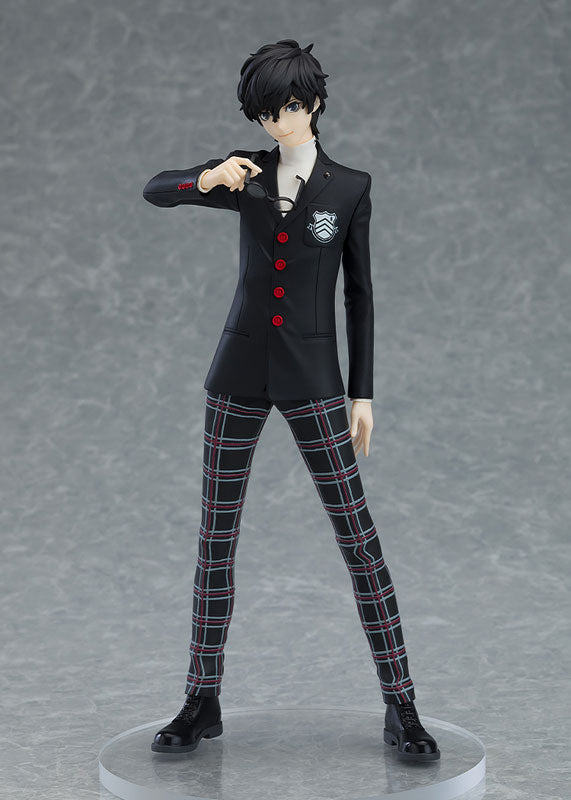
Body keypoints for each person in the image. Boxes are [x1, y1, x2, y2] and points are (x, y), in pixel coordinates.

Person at [142, 38, 440, 762]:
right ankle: (201, 697)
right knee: (215, 539)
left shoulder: (349, 187)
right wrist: (207, 177)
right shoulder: (242, 174)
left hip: (314, 378)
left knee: (358, 538)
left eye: (292, 107)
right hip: (238, 372)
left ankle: (401, 702)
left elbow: (360, 295)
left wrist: (362, 391)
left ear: (316, 104)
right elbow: (155, 188)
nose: (280, 121)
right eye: (268, 112)